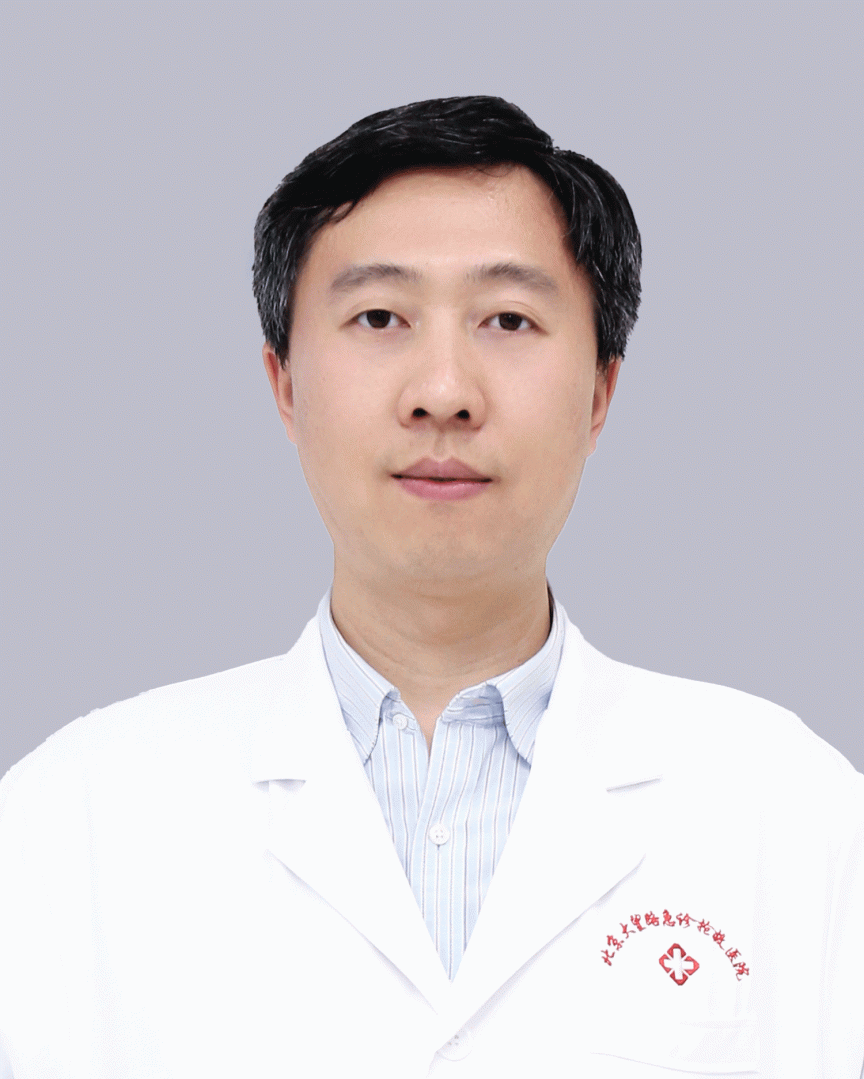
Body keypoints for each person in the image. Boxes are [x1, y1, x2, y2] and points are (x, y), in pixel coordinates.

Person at [0, 95, 861, 1078]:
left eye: (509, 319)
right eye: (379, 317)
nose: (443, 391)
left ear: (600, 390)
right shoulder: (67, 818)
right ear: (285, 382)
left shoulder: (793, 809)